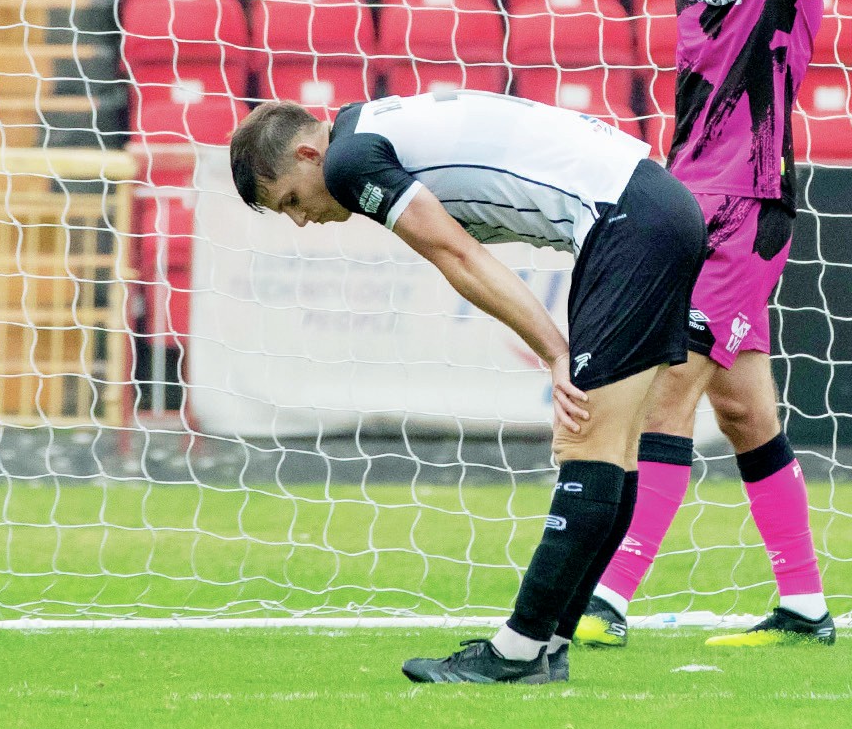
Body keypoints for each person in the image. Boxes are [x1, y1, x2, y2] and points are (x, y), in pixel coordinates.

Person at [474, 0, 852, 648]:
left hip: (748, 202)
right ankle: (804, 604)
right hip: (681, 195)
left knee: (668, 388)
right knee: (741, 406)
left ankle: (607, 598)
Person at [229, 87, 706, 684]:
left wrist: (555, 352)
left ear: (307, 154)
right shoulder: (365, 130)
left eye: (293, 200)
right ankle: (549, 644)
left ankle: (516, 652)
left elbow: (458, 256)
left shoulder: (348, 162)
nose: (302, 220)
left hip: (630, 221)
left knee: (586, 440)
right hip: (654, 207)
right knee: (614, 447)